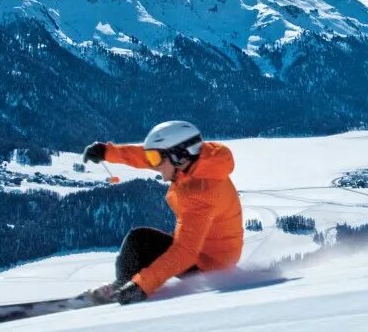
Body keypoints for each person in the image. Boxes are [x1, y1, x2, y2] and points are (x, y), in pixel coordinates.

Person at [78, 120, 244, 305]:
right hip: (206, 249)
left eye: (156, 158)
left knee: (139, 241)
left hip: (210, 265)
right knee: (143, 243)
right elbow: (144, 157)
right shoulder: (197, 163)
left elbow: (184, 252)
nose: (152, 164)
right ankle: (124, 284)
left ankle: (123, 288)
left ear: (179, 156)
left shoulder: (202, 192)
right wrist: (107, 152)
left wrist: (142, 286)